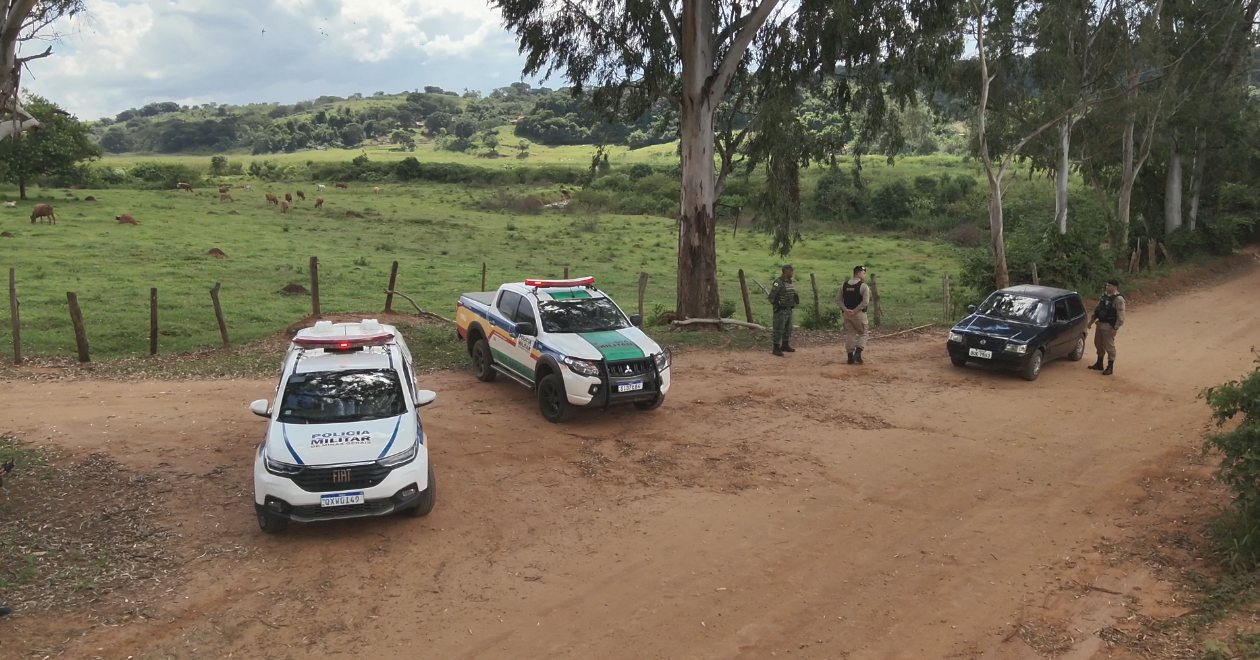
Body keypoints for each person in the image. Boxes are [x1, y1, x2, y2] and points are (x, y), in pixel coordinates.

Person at [1087, 278, 1126, 376]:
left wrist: (1115, 328)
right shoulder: (1104, 296)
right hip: (1100, 324)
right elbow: (1097, 309)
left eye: (1109, 286)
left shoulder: (1118, 299)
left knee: (1109, 347)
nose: (1107, 287)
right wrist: (1091, 321)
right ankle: (1099, 363)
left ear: (1115, 287)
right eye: (1107, 285)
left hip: (1109, 326)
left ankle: (1110, 366)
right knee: (1098, 344)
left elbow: (1121, 316)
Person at [838, 266, 871, 364]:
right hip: (859, 314)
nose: (865, 275)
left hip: (847, 314)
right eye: (864, 273)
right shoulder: (863, 286)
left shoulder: (843, 285)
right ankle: (858, 352)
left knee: (850, 333)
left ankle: (850, 357)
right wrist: (855, 310)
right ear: (859, 274)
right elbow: (865, 302)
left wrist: (845, 309)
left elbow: (838, 300)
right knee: (864, 333)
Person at [768, 265, 800, 357]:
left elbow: (789, 293)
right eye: (791, 271)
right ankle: (776, 347)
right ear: (785, 271)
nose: (792, 273)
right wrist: (776, 305)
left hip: (789, 309)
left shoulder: (789, 282)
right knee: (778, 328)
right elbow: (771, 296)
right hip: (781, 310)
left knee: (788, 328)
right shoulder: (778, 282)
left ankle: (785, 344)